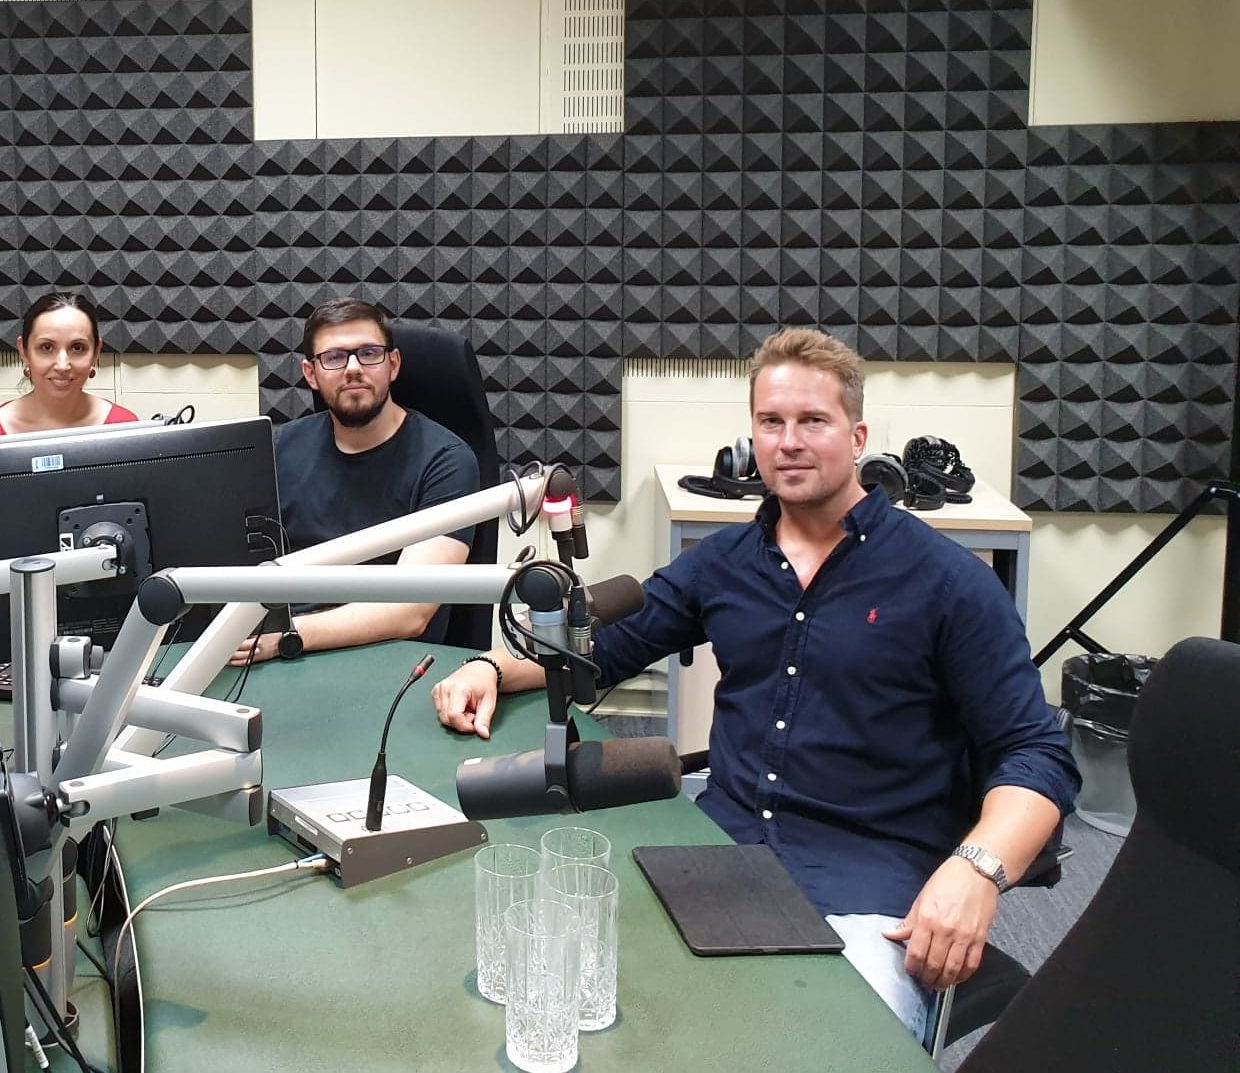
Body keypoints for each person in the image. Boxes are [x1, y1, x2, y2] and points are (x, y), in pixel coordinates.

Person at [430, 328, 1077, 1045]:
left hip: (868, 891)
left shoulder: (948, 583)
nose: (789, 442)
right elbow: (598, 651)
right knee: (605, 1023)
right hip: (719, 860)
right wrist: (490, 666)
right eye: (772, 422)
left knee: (827, 1052)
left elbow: (1036, 753)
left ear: (857, 435)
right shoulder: (725, 562)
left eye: (813, 421)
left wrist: (976, 871)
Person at [230, 297, 480, 666]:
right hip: (284, 654)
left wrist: (286, 636)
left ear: (393, 365)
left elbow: (411, 611)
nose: (353, 368)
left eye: (368, 353)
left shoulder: (446, 460)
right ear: (311, 374)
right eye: (334, 357)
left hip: (389, 661)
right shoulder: (281, 446)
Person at [0, 292, 138, 438]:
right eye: (46, 347)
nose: (62, 366)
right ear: (24, 351)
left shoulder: (125, 429)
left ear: (96, 351)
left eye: (77, 347)